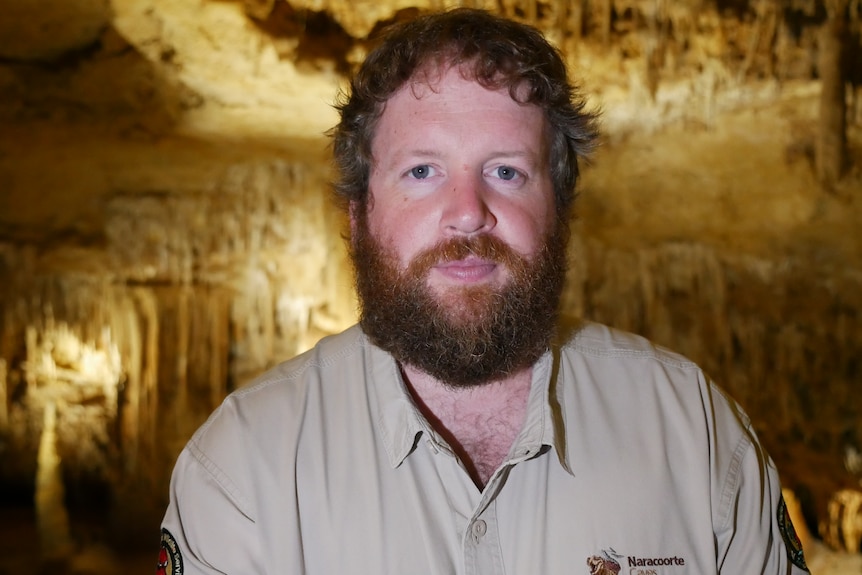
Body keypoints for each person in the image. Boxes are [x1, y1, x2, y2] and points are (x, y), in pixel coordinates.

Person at [158, 8, 810, 574]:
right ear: (358, 217)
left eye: (505, 170)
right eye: (421, 171)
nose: (467, 212)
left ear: (559, 209)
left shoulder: (692, 430)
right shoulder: (246, 462)